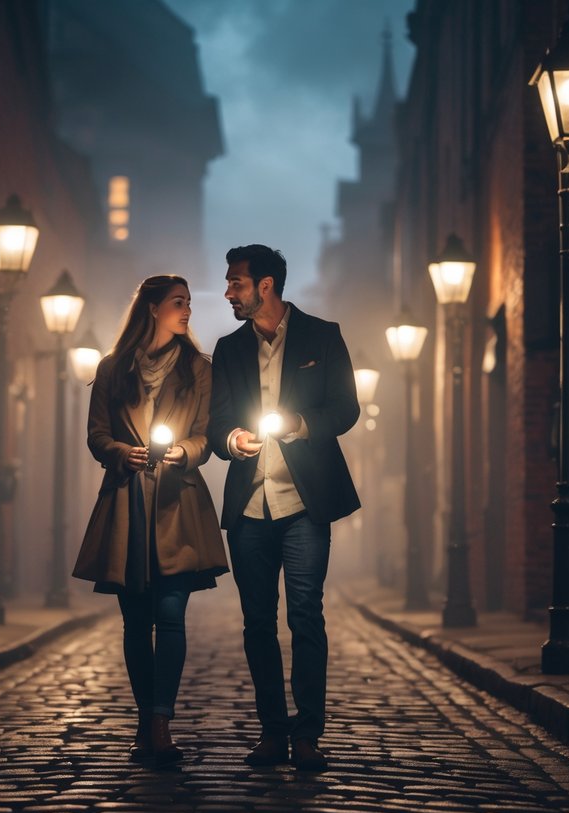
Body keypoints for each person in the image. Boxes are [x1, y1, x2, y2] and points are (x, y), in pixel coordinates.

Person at [207, 244, 361, 771]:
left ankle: (308, 736)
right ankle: (272, 731)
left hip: (303, 505)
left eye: (236, 283)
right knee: (256, 623)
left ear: (265, 286)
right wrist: (231, 439)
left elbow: (346, 408)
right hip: (249, 507)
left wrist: (299, 426)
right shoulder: (227, 349)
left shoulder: (323, 335)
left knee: (305, 616)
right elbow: (216, 421)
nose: (228, 291)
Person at [73, 274, 229, 766]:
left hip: (177, 504)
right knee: (136, 621)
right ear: (153, 309)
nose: (187, 311)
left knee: (171, 614)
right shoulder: (113, 368)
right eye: (178, 303)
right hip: (126, 504)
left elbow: (206, 435)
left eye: (187, 303)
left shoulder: (199, 369)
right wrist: (122, 451)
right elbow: (97, 435)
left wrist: (182, 451)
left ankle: (161, 720)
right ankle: (145, 720)